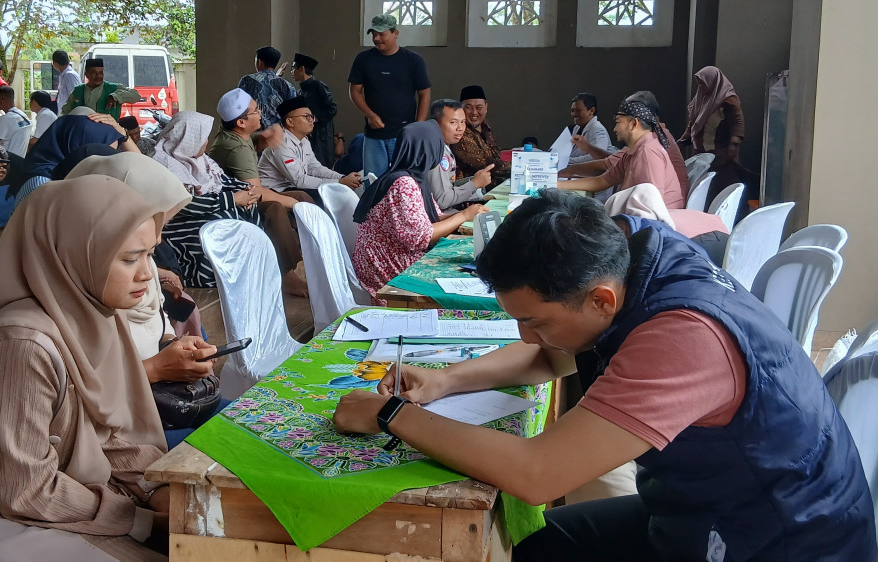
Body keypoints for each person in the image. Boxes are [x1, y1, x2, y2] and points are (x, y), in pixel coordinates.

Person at [333, 189, 877, 561]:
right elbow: (554, 355)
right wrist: (444, 380)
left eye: (533, 320)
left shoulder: (685, 336)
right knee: (522, 543)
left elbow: (539, 473)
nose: (524, 335)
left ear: (600, 298)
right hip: (701, 507)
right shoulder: (628, 250)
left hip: (777, 540)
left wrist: (391, 415)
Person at [0, 177, 174, 561]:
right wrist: (140, 519)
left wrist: (156, 487)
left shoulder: (90, 316)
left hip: (52, 495)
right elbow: (24, 489)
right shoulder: (21, 347)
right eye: (129, 258)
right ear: (72, 254)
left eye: (150, 254)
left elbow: (103, 433)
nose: (147, 274)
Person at [65, 153, 223, 445]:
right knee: (226, 446)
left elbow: (158, 321)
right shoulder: (67, 308)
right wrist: (154, 369)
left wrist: (174, 347)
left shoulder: (142, 270)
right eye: (129, 257)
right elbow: (70, 404)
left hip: (164, 403)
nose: (147, 272)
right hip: (117, 430)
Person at [352, 121, 487, 301]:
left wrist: (469, 214)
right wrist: (464, 215)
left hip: (396, 257)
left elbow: (436, 217)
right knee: (459, 284)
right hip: (386, 268)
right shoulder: (403, 183)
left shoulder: (415, 177)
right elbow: (422, 236)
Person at [208, 89, 313, 296]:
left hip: (245, 196)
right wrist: (293, 204)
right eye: (256, 111)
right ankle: (287, 275)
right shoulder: (236, 147)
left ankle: (309, 257)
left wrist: (262, 139)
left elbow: (250, 142)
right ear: (241, 122)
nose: (261, 113)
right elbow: (256, 193)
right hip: (233, 206)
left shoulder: (238, 134)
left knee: (301, 196)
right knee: (275, 208)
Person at [153, 111, 264, 288]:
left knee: (246, 208)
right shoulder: (162, 165)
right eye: (202, 138)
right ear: (188, 139)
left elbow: (224, 182)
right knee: (221, 220)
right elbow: (183, 204)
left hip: (206, 210)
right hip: (180, 222)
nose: (206, 142)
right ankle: (209, 276)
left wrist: (249, 191)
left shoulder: (202, 160)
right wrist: (233, 199)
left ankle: (246, 271)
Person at [348, 14, 431, 181]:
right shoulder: (364, 59)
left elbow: (424, 94)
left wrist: (418, 127)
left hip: (404, 136)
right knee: (374, 183)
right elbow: (354, 91)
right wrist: (370, 115)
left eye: (382, 34)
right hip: (374, 136)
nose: (377, 38)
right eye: (373, 34)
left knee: (403, 182)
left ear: (395, 33)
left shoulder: (413, 60)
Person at [560, 99, 685, 209]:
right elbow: (602, 181)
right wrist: (557, 184)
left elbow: (654, 204)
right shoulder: (634, 150)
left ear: (634, 124)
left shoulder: (647, 151)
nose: (615, 129)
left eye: (618, 122)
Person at [12, 113, 137, 203]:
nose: (108, 165)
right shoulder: (42, 184)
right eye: (103, 157)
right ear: (81, 151)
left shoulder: (72, 177)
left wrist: (123, 134)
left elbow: (141, 170)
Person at [259, 96, 360, 203]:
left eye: (312, 116)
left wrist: (343, 177)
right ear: (290, 121)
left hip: (292, 186)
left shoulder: (304, 141)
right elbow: (300, 180)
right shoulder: (281, 143)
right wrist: (339, 182)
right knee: (325, 196)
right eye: (306, 116)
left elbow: (315, 168)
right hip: (274, 191)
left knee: (334, 193)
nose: (312, 120)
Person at [679, 66, 752, 208]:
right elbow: (693, 122)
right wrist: (683, 140)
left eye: (703, 83)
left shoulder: (728, 99)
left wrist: (734, 143)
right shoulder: (700, 99)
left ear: (713, 81)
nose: (701, 86)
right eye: (699, 83)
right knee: (704, 189)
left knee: (724, 187)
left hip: (722, 154)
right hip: (702, 153)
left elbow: (737, 122)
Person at [426, 98, 493, 211]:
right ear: (436, 124)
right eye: (453, 122)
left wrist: (476, 180)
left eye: (462, 122)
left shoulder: (444, 147)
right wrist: (474, 184)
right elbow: (443, 200)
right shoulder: (438, 153)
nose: (460, 128)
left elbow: (448, 187)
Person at [452, 85, 510, 186]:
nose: (474, 113)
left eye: (479, 107)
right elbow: (486, 163)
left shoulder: (486, 129)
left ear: (486, 107)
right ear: (461, 109)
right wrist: (518, 167)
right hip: (472, 195)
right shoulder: (460, 134)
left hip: (494, 187)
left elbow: (497, 155)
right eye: (468, 107)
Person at [291, 52, 338, 168]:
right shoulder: (299, 91)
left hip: (321, 137)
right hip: (307, 136)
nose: (292, 72)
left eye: (293, 68)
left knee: (322, 169)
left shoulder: (319, 86)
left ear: (302, 69)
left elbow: (332, 108)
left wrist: (315, 118)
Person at [238, 46, 297, 129]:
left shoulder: (247, 80)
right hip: (278, 134)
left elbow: (239, 107)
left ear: (259, 62)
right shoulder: (287, 85)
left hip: (252, 132)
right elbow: (293, 112)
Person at [61, 58, 142, 119]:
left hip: (108, 136)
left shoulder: (113, 88)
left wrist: (116, 96)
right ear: (87, 74)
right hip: (83, 135)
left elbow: (136, 96)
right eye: (94, 73)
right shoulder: (78, 90)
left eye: (101, 73)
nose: (98, 76)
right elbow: (64, 113)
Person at [567, 92, 616, 165]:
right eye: (572, 111)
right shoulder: (576, 128)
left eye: (578, 110)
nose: (573, 114)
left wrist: (567, 161)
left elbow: (596, 157)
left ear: (592, 111)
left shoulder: (598, 129)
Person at [0, 86, 32, 157]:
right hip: (21, 160)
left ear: (1, 101)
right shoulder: (24, 115)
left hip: (9, 162)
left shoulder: (6, 119)